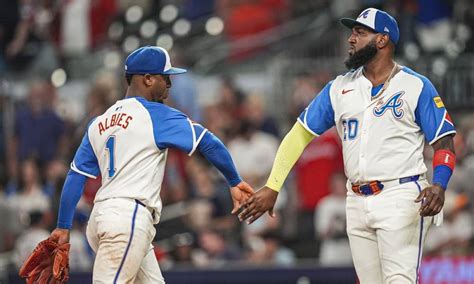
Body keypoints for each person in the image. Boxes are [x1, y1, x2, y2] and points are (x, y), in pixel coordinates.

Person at [239, 8, 457, 283]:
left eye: (360, 32)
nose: (351, 38)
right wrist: (273, 185)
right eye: (352, 32)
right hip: (355, 200)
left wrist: (439, 184)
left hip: (401, 195)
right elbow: (298, 135)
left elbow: (444, 141)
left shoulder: (415, 85)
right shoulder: (338, 88)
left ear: (382, 40)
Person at [47, 46, 254, 283]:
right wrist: (234, 181)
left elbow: (75, 175)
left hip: (105, 217)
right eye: (165, 77)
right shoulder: (155, 114)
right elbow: (209, 143)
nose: (169, 84)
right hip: (127, 220)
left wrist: (63, 226)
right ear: (147, 79)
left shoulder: (99, 122)